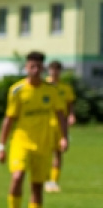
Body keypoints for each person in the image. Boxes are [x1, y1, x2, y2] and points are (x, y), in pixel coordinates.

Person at [0, 51, 68, 208]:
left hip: (43, 145)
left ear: (42, 68)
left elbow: (61, 114)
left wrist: (64, 137)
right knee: (18, 176)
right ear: (26, 68)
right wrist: (1, 146)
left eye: (38, 67)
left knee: (37, 187)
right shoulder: (17, 91)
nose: (35, 71)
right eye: (31, 67)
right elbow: (9, 119)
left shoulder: (51, 91)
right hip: (21, 142)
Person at [44, 60, 76, 193]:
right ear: (48, 70)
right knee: (45, 153)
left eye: (57, 69)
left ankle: (53, 181)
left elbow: (70, 104)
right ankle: (43, 179)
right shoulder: (44, 85)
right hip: (45, 123)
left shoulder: (65, 88)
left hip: (60, 124)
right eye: (52, 69)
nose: (54, 72)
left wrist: (72, 115)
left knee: (58, 152)